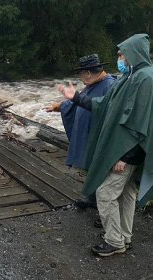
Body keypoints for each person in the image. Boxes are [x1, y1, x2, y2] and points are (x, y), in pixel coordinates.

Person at [58, 33, 153, 257]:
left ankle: (114, 242)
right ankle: (124, 238)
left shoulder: (145, 79)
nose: (119, 57)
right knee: (126, 194)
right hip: (125, 150)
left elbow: (141, 123)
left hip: (127, 152)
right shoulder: (131, 78)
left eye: (122, 54)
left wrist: (126, 157)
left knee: (105, 194)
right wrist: (76, 98)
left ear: (134, 53)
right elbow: (106, 104)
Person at [47, 54, 115, 209]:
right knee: (92, 167)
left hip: (101, 137)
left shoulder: (110, 86)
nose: (80, 77)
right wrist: (58, 107)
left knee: (102, 172)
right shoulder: (93, 85)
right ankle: (92, 199)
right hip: (90, 136)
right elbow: (78, 101)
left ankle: (105, 211)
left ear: (89, 73)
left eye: (81, 73)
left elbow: (107, 110)